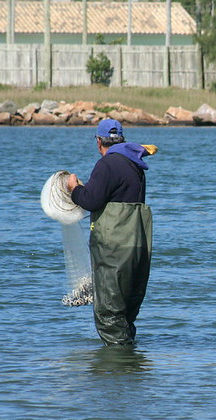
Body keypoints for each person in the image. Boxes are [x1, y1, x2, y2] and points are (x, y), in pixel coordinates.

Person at [67, 118, 154, 345]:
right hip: (137, 246)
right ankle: (131, 369)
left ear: (99, 142)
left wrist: (74, 188)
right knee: (126, 312)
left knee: (109, 313)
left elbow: (90, 200)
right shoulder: (135, 165)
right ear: (121, 139)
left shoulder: (107, 164)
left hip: (113, 248)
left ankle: (115, 374)